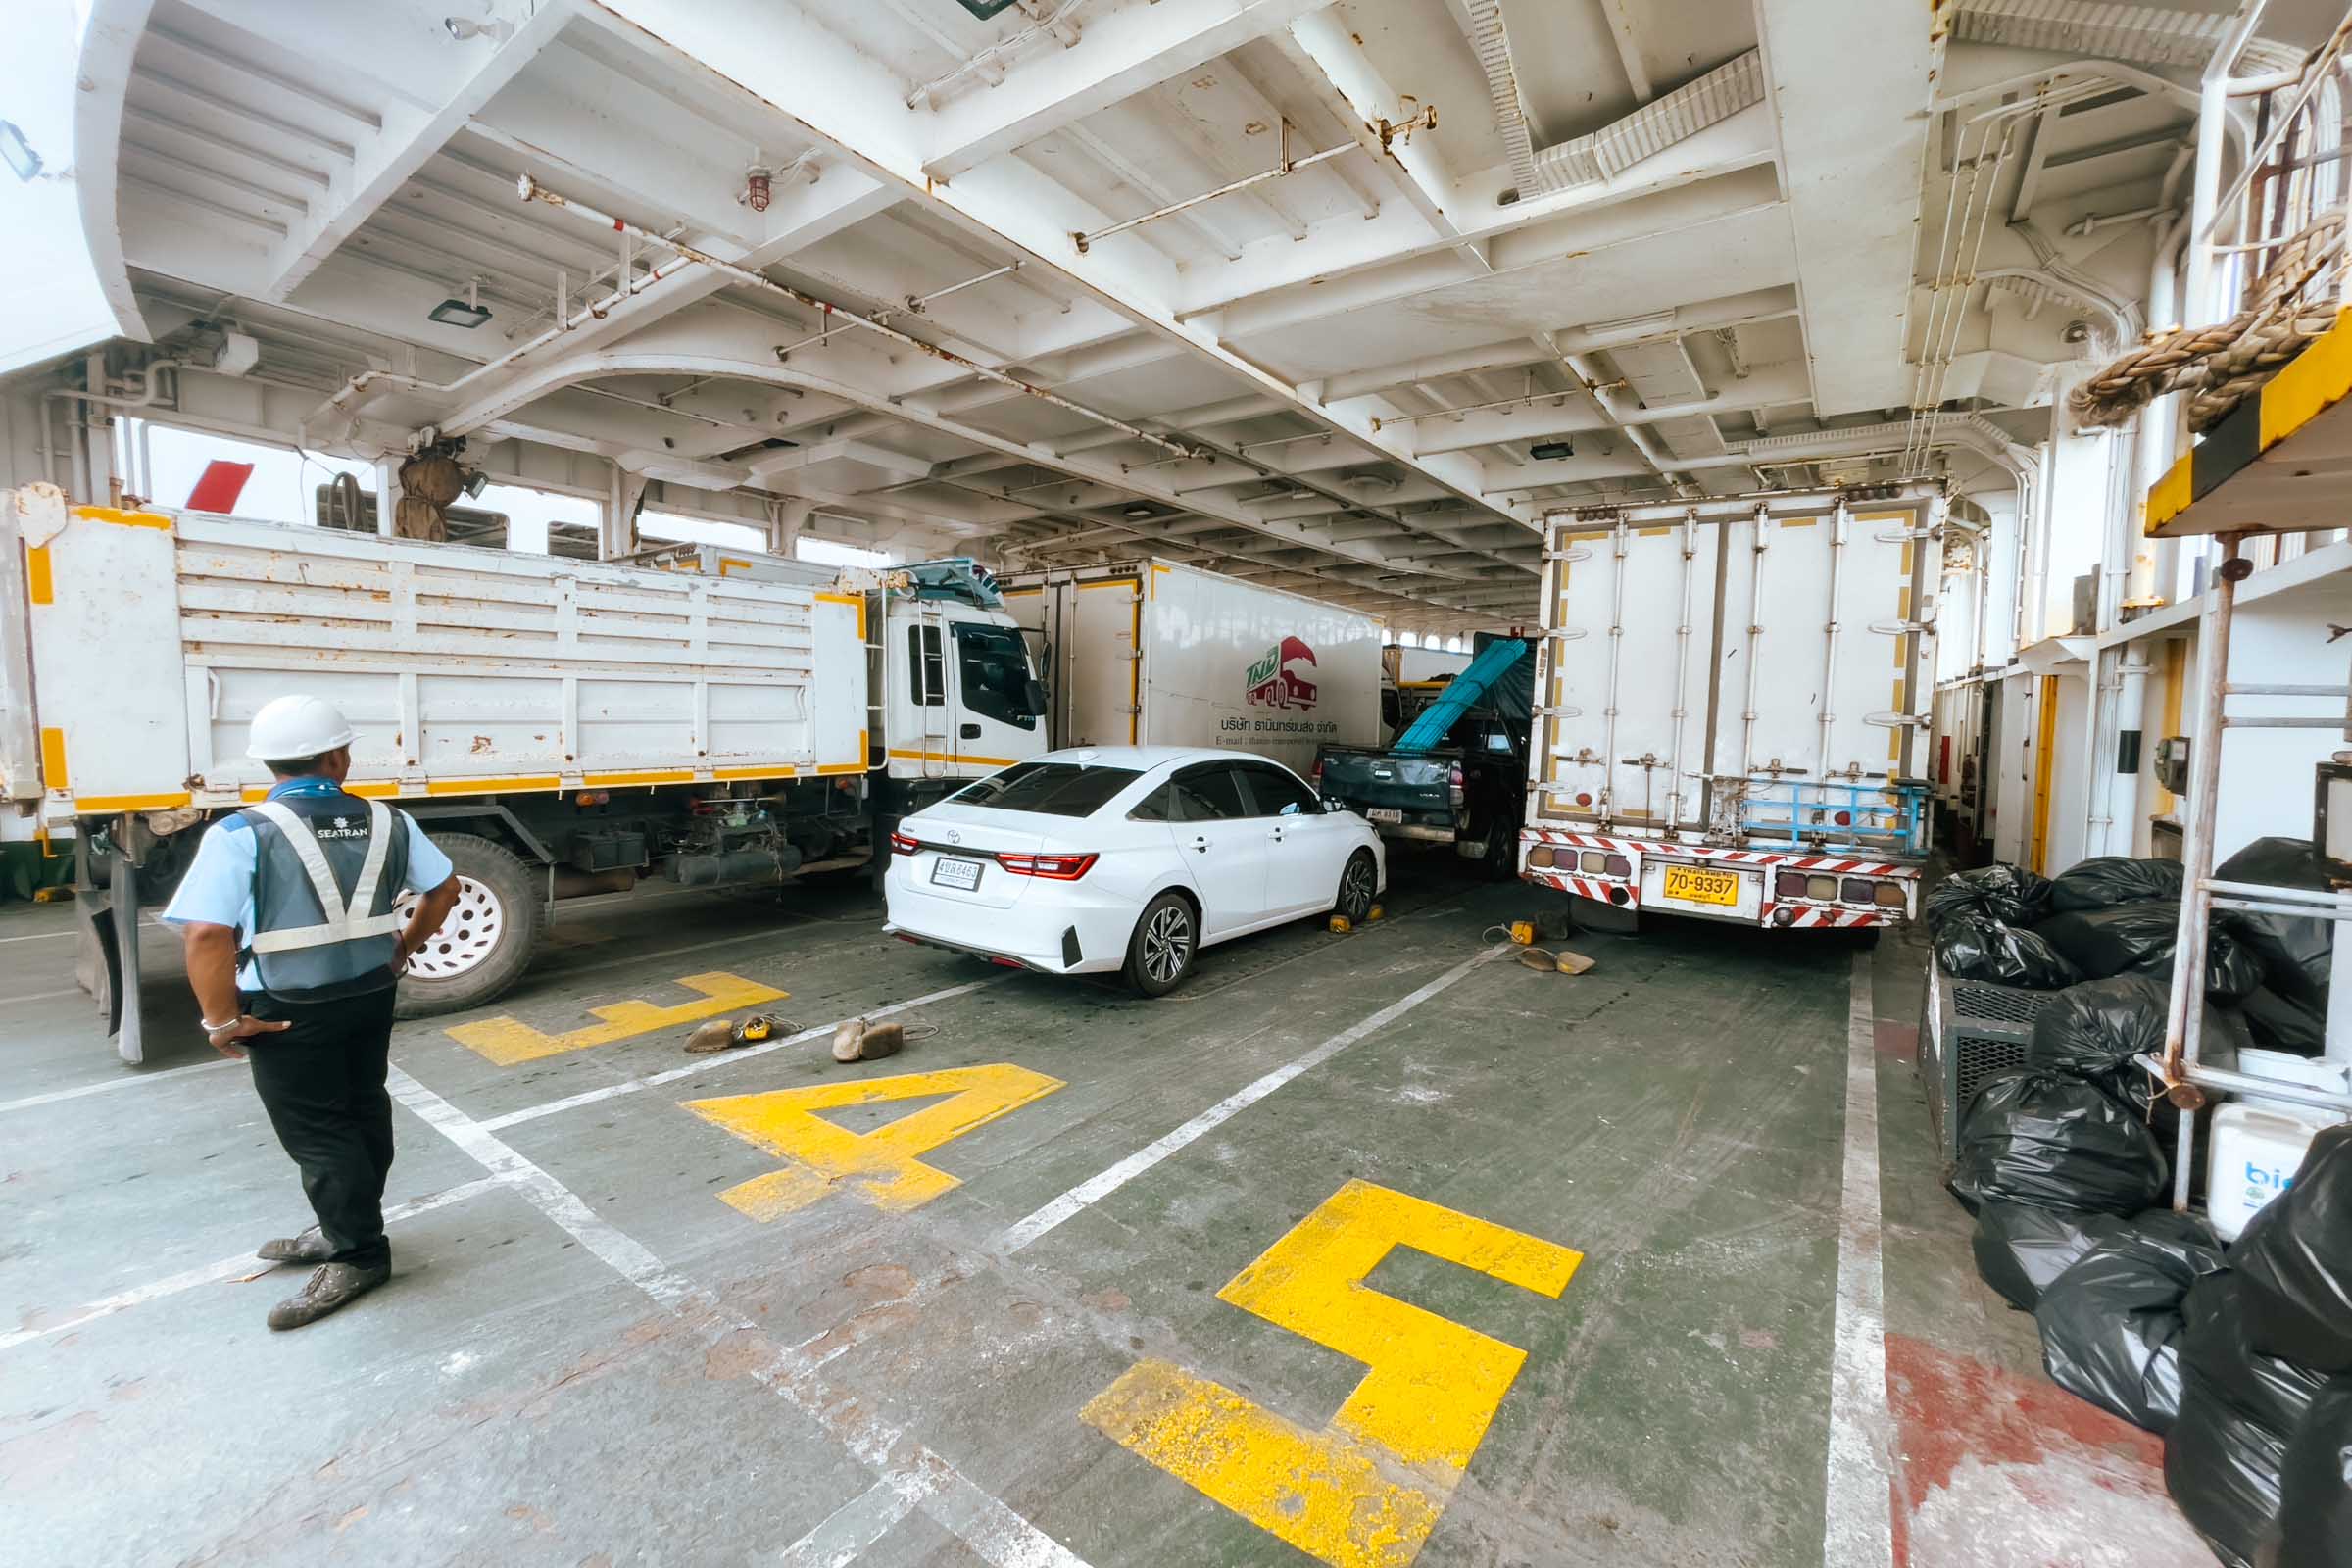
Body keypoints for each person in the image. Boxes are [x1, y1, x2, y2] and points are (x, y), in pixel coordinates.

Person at [162, 695, 461, 1330]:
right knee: (362, 1105)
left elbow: (206, 936)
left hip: (285, 1010)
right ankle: (345, 1224)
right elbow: (445, 891)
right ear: (339, 756)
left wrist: (221, 1022)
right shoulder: (388, 821)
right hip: (372, 993)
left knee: (320, 1132)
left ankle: (357, 1252)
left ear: (268, 763)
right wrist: (404, 947)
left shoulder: (241, 833)